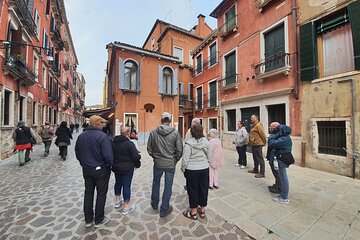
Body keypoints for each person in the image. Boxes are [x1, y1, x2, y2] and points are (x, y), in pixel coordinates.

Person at [75, 115, 114, 228]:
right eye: (102, 123)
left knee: (88, 193)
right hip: (101, 169)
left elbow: (78, 153)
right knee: (101, 194)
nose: (103, 125)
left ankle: (88, 220)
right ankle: (98, 219)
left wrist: (84, 163)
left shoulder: (81, 136)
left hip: (86, 169)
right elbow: (108, 156)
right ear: (97, 124)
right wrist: (108, 165)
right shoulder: (102, 136)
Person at [147, 112, 183, 218]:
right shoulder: (175, 133)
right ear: (170, 121)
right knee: (168, 186)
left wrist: (155, 157)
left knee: (156, 182)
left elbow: (149, 148)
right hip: (170, 163)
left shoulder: (153, 132)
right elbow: (179, 150)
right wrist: (174, 160)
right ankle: (164, 209)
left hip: (158, 163)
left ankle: (154, 204)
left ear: (161, 120)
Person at [181, 123, 211, 220]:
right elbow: (209, 157)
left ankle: (193, 212)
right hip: (204, 169)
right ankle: (202, 211)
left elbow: (185, 160)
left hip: (191, 170)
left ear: (191, 132)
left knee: (192, 190)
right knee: (203, 189)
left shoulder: (188, 144)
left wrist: (183, 169)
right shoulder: (206, 142)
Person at [112, 126, 141, 215]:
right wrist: (138, 158)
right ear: (128, 134)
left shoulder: (113, 142)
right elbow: (135, 156)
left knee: (118, 183)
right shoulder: (129, 144)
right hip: (127, 168)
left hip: (116, 167)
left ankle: (117, 201)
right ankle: (126, 207)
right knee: (126, 185)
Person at [268, 124, 293, 204]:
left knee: (283, 178)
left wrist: (272, 134)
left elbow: (271, 143)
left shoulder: (284, 139)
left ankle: (284, 197)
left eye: (278, 129)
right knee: (282, 177)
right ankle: (283, 194)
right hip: (281, 158)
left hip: (282, 159)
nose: (276, 131)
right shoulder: (285, 137)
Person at [267, 122, 282, 194]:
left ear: (274, 128)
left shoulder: (277, 136)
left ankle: (279, 188)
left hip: (276, 157)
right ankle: (277, 185)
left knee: (277, 172)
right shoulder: (274, 135)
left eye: (270, 127)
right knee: (275, 172)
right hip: (271, 156)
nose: (269, 128)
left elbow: (272, 144)